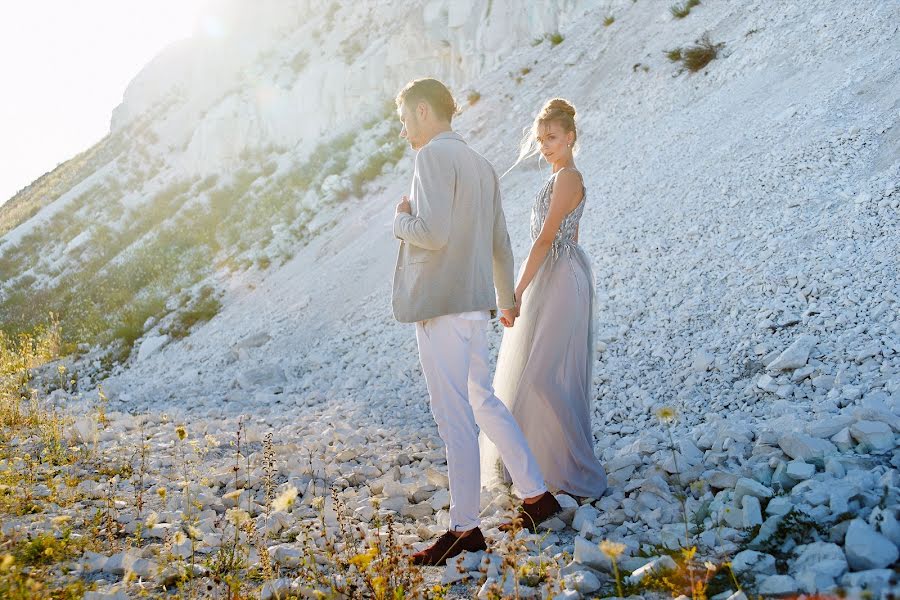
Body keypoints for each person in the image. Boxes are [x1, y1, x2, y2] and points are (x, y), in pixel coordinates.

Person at [391, 78, 561, 566]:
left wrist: (400, 219)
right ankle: (535, 494)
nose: (404, 131)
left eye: (404, 119)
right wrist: (505, 299)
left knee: (454, 416)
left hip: (440, 306)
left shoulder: (430, 158)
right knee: (482, 401)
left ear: (423, 111)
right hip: (475, 305)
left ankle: (464, 529)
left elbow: (432, 232)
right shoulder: (483, 166)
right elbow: (501, 242)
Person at [480, 98, 608, 501]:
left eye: (552, 137)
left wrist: (515, 292)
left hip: (559, 277)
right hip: (554, 277)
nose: (545, 145)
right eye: (540, 139)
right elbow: (570, 234)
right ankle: (544, 467)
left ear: (570, 137)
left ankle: (574, 467)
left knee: (545, 374)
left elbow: (548, 238)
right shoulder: (556, 178)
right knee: (536, 371)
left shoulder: (569, 176)